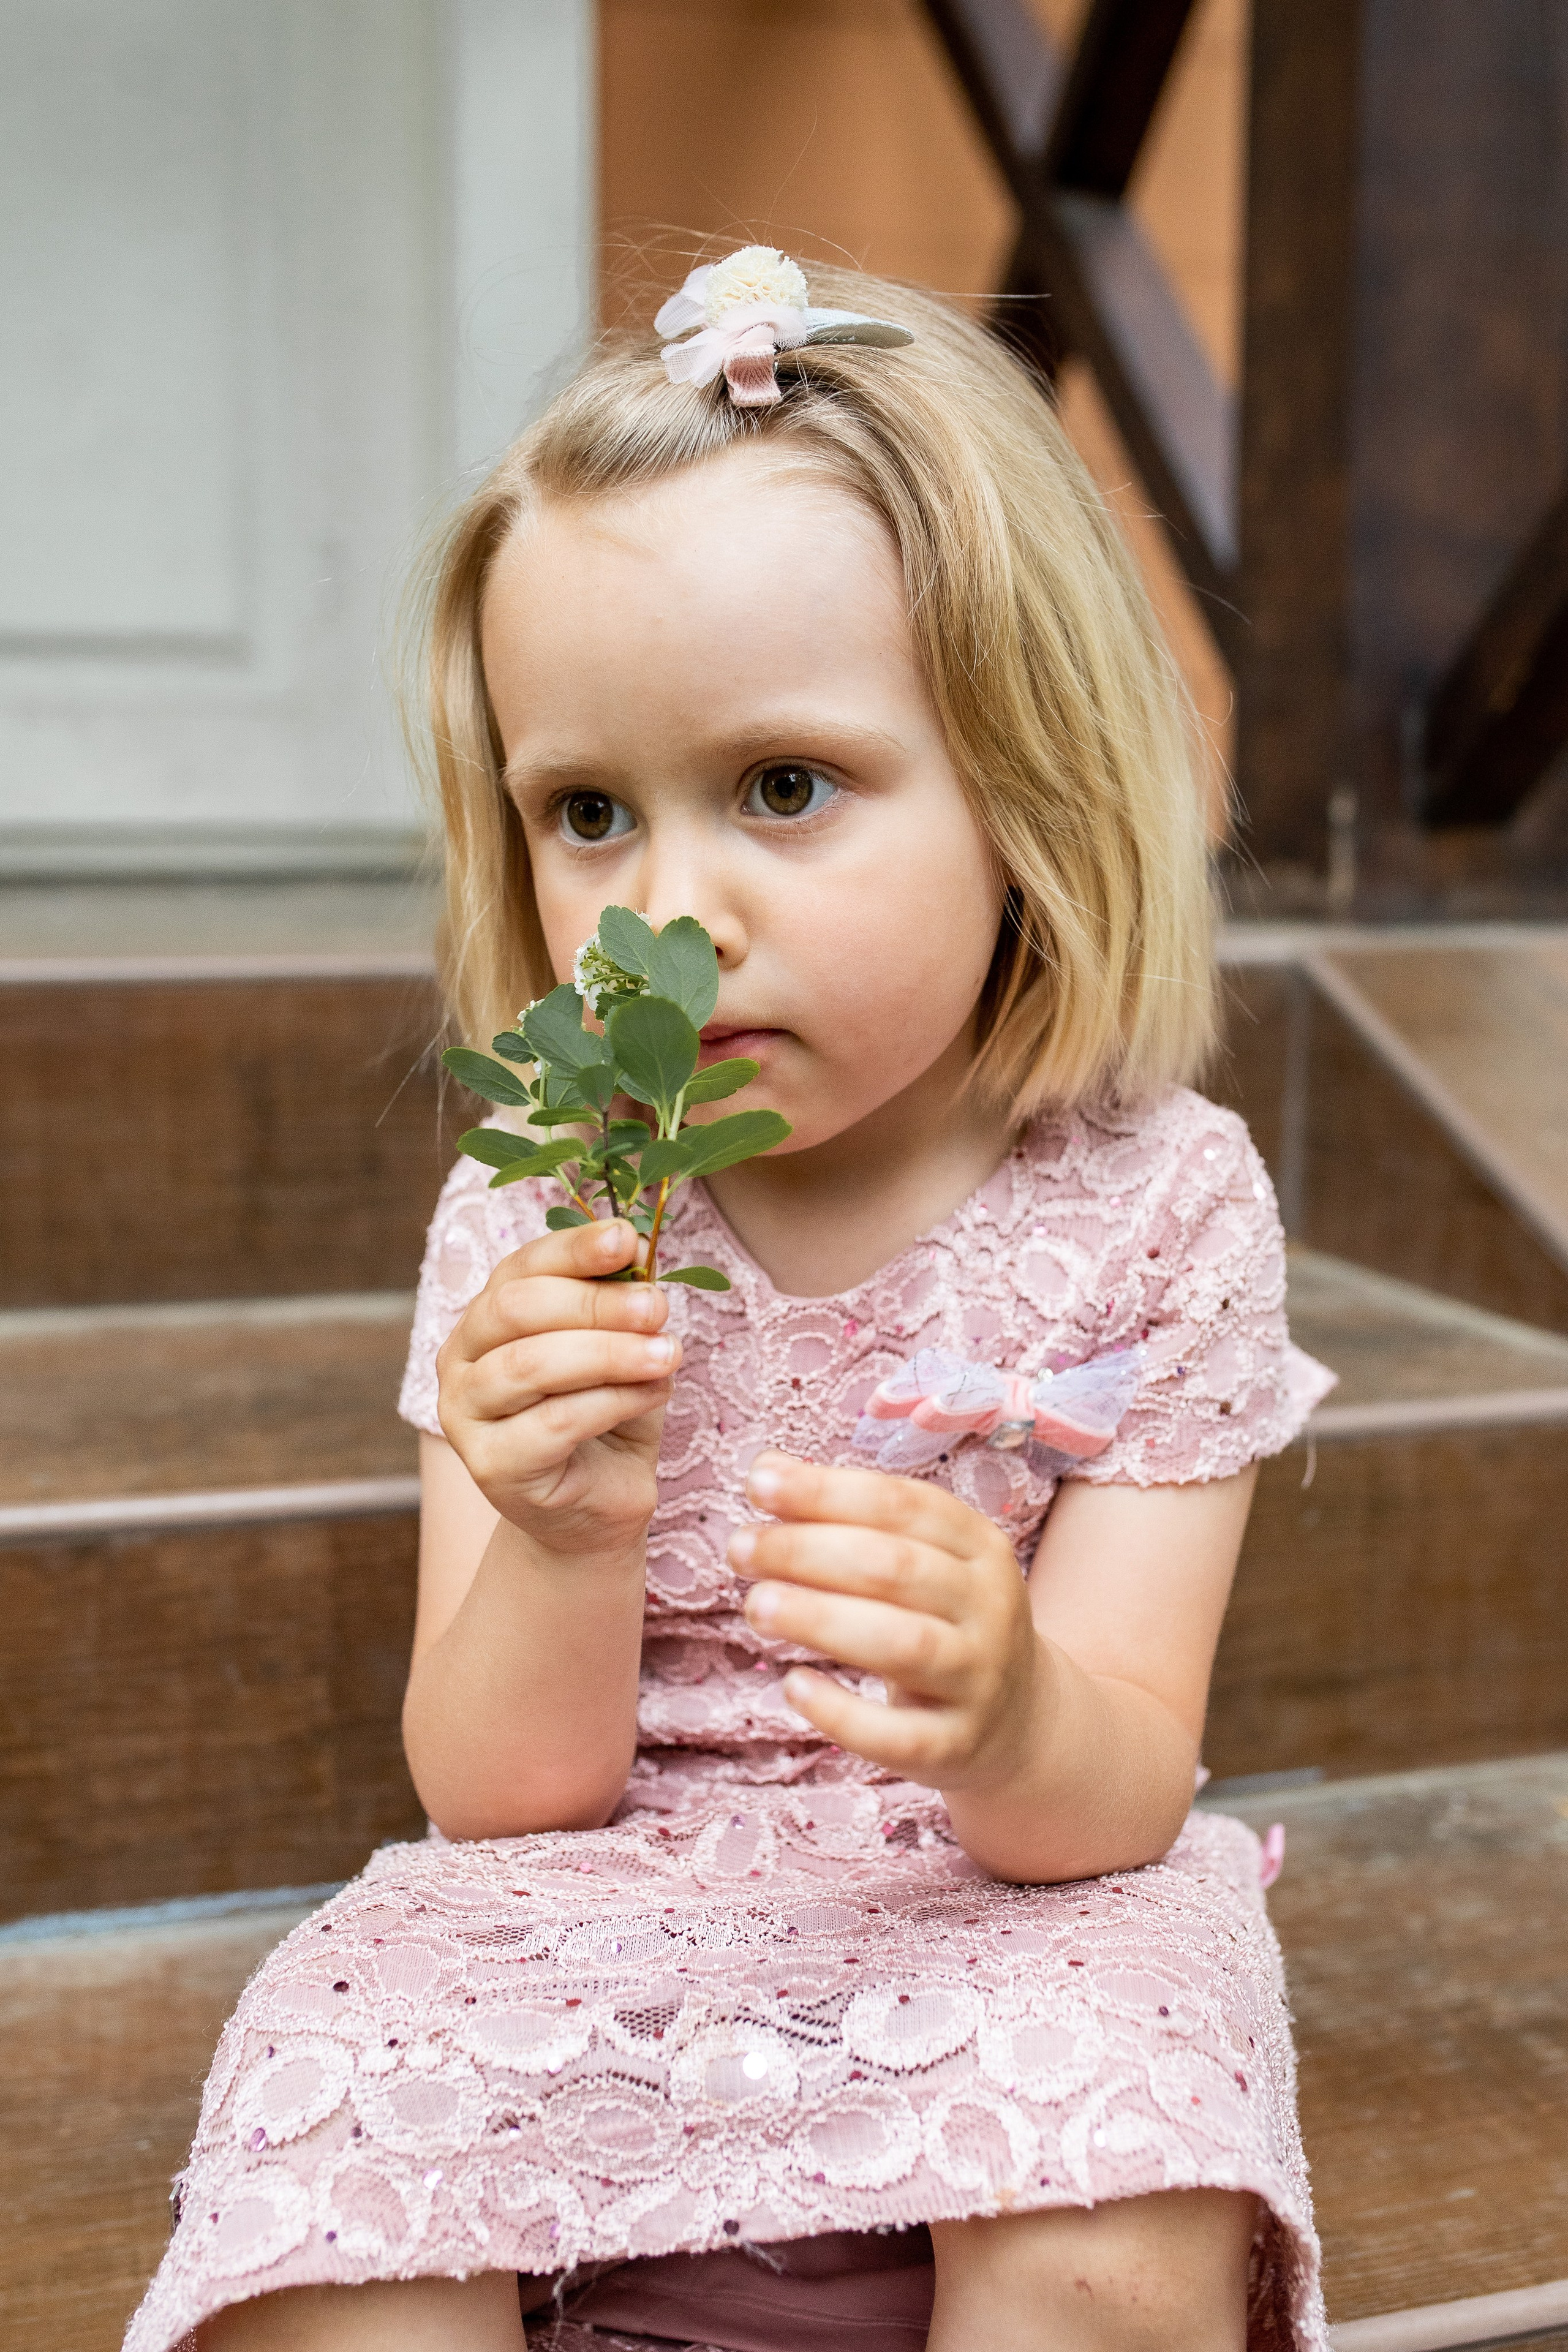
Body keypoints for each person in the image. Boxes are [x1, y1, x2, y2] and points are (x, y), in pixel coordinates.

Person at [127, 249, 1334, 2352]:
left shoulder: (1161, 1208)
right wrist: (568, 1527)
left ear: (1027, 791)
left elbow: (1121, 1788)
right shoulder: (543, 1213)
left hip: (1000, 1901)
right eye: (588, 813)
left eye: (784, 786)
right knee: (338, 2118)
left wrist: (1016, 1712)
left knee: (1119, 2161)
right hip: (595, 1901)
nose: (667, 909)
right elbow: (494, 1794)